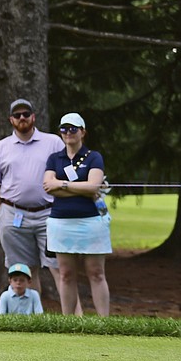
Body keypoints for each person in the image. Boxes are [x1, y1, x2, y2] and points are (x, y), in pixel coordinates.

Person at [0, 98, 70, 303]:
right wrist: (0, 214)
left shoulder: (54, 142)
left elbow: (67, 175)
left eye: (26, 114)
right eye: (17, 115)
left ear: (33, 117)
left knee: (60, 268)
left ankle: (75, 319)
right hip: (13, 216)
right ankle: (33, 318)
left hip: (49, 214)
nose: (22, 118)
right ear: (11, 119)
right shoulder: (1, 147)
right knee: (26, 271)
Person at [43, 112, 112, 316]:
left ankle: (103, 322)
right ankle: (68, 320)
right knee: (66, 274)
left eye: (73, 128)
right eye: (64, 129)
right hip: (61, 221)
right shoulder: (54, 158)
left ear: (83, 132)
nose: (68, 133)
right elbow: (48, 186)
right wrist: (78, 187)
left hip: (91, 221)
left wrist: (62, 184)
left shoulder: (94, 157)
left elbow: (93, 186)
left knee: (96, 272)